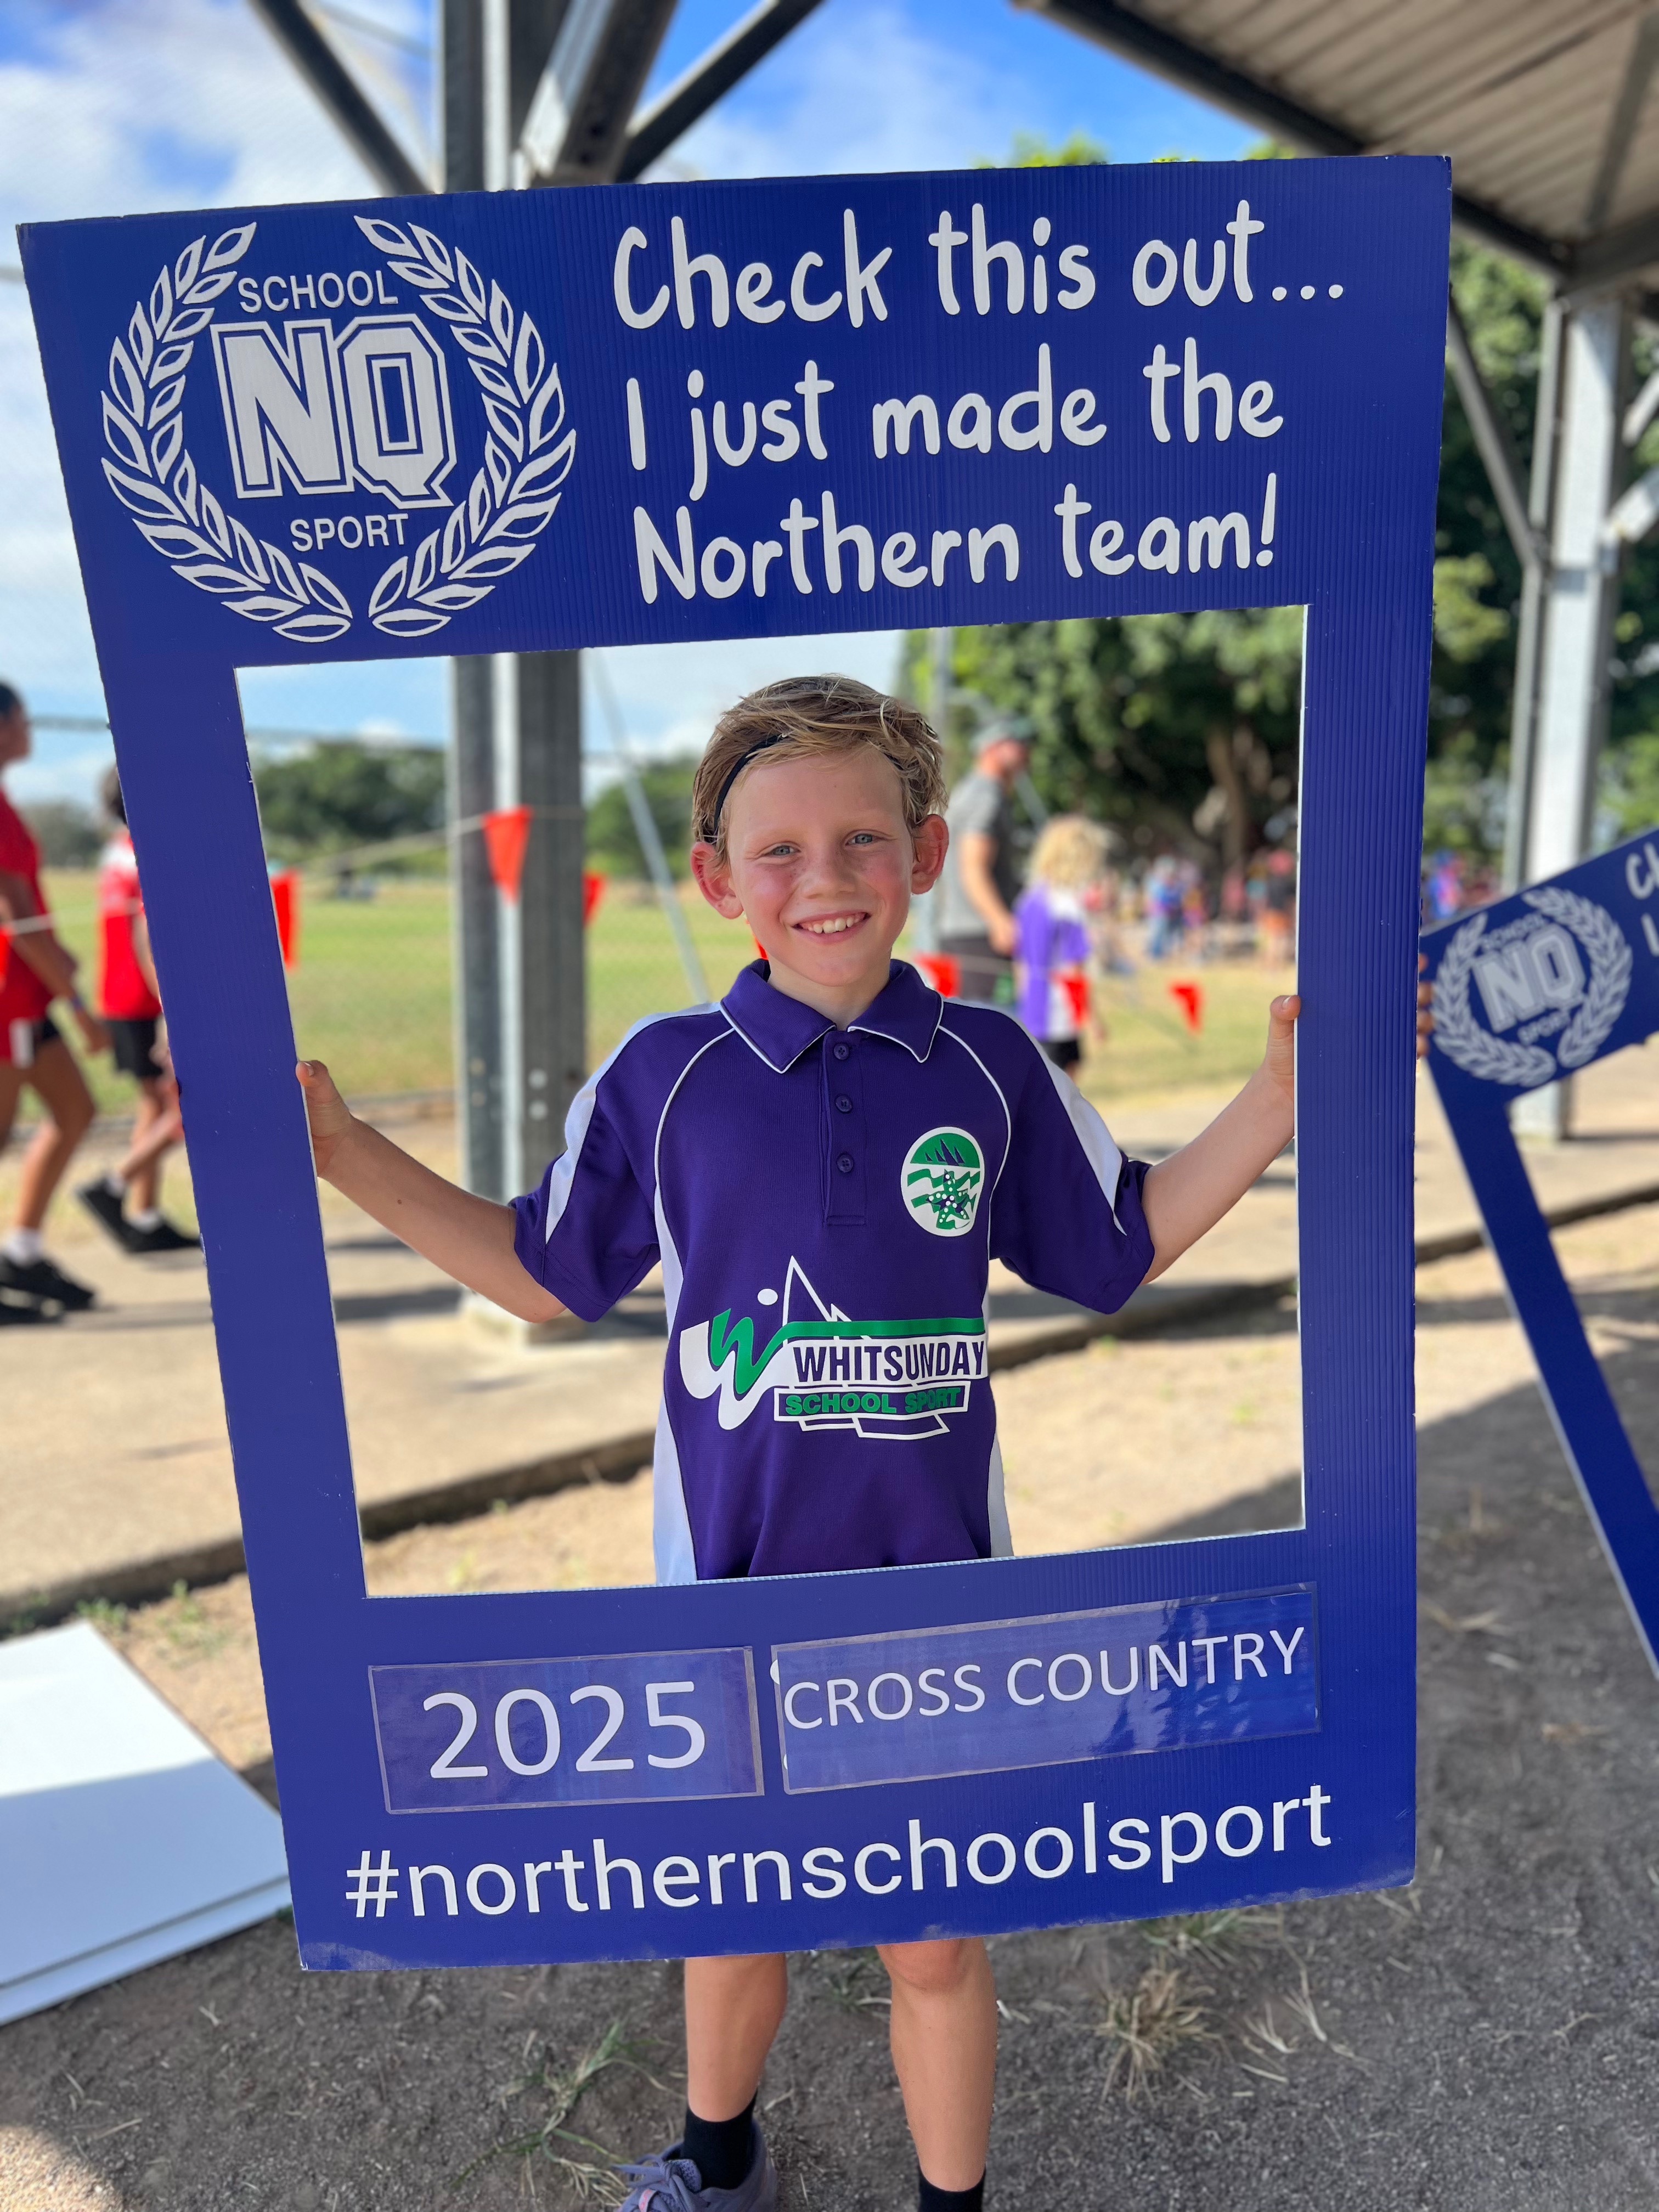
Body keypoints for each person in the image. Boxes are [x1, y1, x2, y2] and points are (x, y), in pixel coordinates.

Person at [295, 674, 1308, 2212]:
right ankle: (719, 2162)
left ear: (924, 852)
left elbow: (1120, 1243)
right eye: (779, 851)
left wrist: (1279, 1096)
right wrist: (342, 1148)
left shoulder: (992, 1063)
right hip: (727, 1604)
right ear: (717, 879)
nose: (824, 878)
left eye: (862, 841)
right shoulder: (664, 1077)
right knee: (735, 1915)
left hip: (935, 1610)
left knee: (934, 1941)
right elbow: (541, 1273)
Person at [0, 682, 105, 1316]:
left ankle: (22, 1252)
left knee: (74, 1111)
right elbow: (18, 924)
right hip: (11, 1004)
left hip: (27, 1001)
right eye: (21, 719)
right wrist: (80, 1006)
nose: (29, 730)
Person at [76, 768, 196, 1254]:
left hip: (121, 996)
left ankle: (144, 1215)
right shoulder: (147, 854)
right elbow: (148, 938)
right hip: (145, 999)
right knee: (183, 1106)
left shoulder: (117, 850)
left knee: (156, 1103)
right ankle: (113, 1186)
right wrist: (173, 1015)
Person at [935, 718, 1030, 1001]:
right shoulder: (985, 795)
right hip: (978, 934)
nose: (1025, 749)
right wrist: (1000, 921)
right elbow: (973, 867)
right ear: (992, 748)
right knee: (989, 1021)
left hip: (967, 932)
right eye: (1016, 742)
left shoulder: (977, 791)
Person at [1012, 813, 1109, 1074]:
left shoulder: (1029, 899)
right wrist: (1093, 1019)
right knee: (1064, 1086)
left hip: (1031, 1012)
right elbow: (1075, 971)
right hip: (1060, 1016)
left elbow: (1020, 961)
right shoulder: (1067, 906)